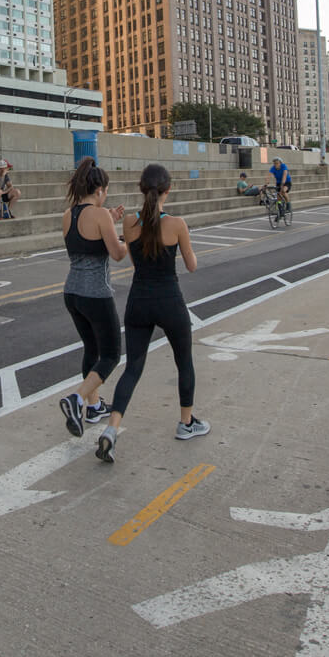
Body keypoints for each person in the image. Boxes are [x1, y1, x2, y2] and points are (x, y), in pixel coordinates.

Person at [96, 163, 204, 464]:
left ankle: (112, 429)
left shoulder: (129, 222)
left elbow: (131, 256)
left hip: (138, 301)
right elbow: (192, 265)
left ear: (142, 188)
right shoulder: (178, 224)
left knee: (133, 368)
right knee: (184, 362)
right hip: (170, 300)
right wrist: (187, 244)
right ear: (167, 190)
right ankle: (186, 423)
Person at [57, 157, 128, 436]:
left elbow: (86, 241)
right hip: (95, 293)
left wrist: (108, 221)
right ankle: (75, 399)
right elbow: (118, 254)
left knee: (91, 349)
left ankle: (94, 405)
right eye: (106, 191)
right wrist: (131, 238)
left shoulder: (68, 214)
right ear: (99, 190)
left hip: (72, 292)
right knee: (110, 354)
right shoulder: (99, 215)